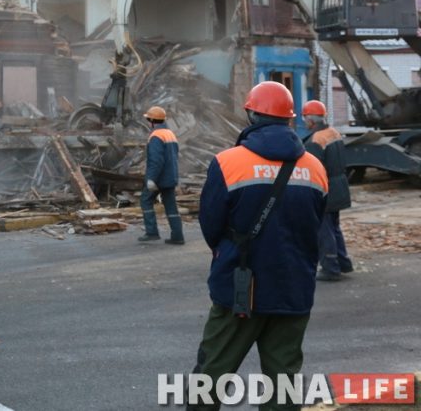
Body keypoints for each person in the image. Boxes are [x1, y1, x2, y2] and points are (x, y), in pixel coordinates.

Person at [189, 81, 328, 411]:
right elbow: (316, 225)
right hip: (294, 288)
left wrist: (231, 251)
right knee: (283, 383)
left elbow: (211, 224)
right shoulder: (315, 168)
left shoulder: (227, 162)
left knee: (211, 375)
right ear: (289, 119)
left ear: (251, 114)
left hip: (240, 289)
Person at [302, 99, 354, 281]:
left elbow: (314, 170)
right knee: (334, 227)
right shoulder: (334, 133)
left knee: (324, 230)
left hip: (326, 189)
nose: (303, 122)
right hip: (339, 186)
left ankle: (330, 268)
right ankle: (343, 262)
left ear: (310, 120)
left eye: (304, 118)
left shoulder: (315, 140)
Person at [138, 105, 184, 244]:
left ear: (152, 120)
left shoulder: (156, 136)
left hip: (159, 178)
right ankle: (178, 236)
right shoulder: (170, 134)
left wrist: (151, 179)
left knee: (145, 200)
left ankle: (152, 232)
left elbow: (156, 160)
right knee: (171, 206)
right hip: (171, 177)